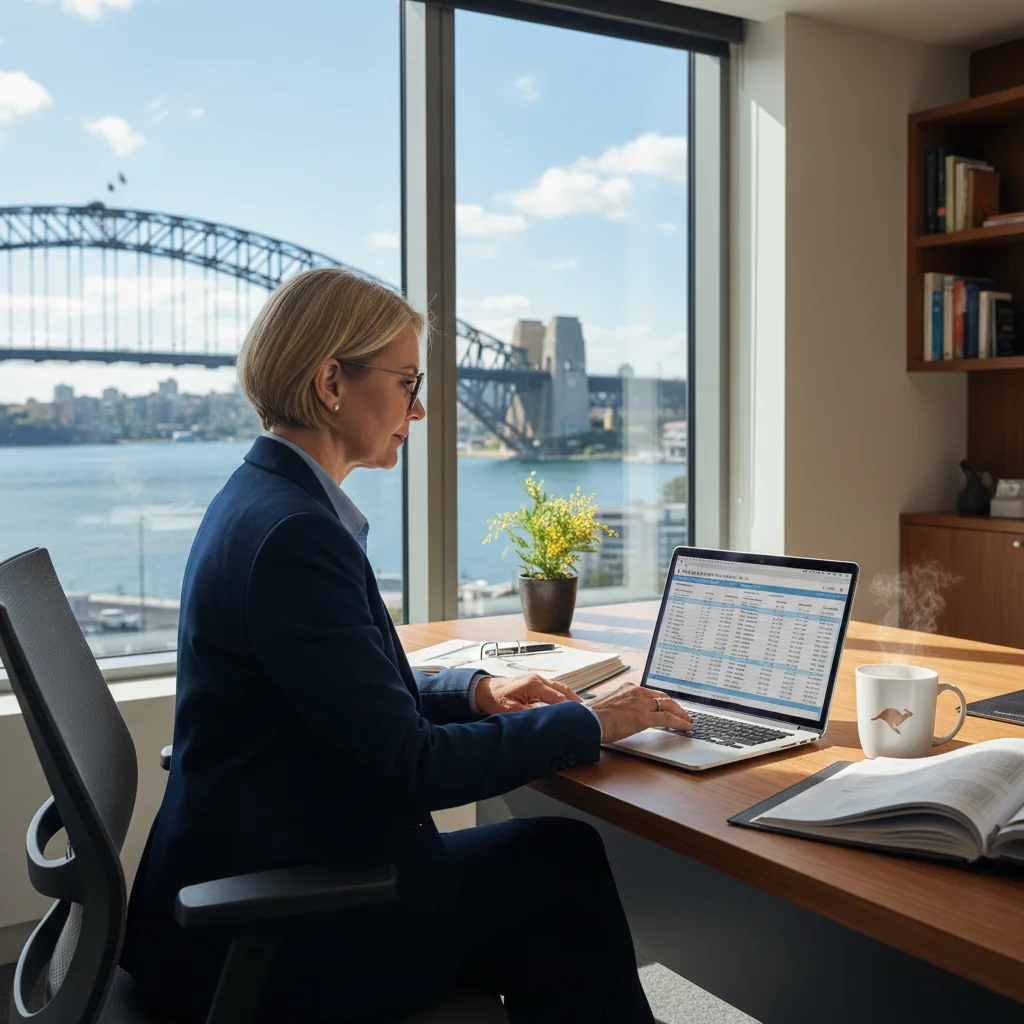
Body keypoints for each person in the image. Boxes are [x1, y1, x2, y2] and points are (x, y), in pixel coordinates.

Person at [120, 267, 693, 1022]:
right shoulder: (297, 535)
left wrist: (478, 692)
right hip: (285, 931)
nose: (418, 410)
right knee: (559, 869)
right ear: (331, 381)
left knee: (547, 883)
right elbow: (410, 768)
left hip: (234, 885)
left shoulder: (257, 500)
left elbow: (335, 693)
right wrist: (594, 720)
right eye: (406, 381)